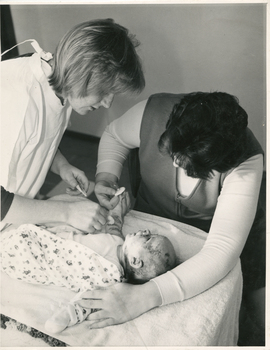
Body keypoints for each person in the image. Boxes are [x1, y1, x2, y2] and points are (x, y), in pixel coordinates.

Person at [81, 91, 265, 345]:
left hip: (209, 234)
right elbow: (115, 136)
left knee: (258, 312)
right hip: (150, 214)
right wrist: (107, 176)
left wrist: (144, 297)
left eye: (188, 165)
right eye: (172, 154)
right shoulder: (153, 111)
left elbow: (222, 249)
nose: (176, 166)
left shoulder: (246, 159)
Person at [0, 18, 145, 233]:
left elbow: (35, 135)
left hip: (13, 214)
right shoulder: (18, 99)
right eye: (105, 92)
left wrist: (61, 165)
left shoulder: (60, 85)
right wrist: (65, 212)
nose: (108, 102)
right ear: (82, 75)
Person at [0, 191, 176, 333]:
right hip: (40, 236)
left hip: (29, 259)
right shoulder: (119, 243)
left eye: (147, 238)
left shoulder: (110, 276)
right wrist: (119, 208)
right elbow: (115, 225)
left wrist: (62, 318)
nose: (145, 230)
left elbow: (85, 302)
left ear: (136, 261)